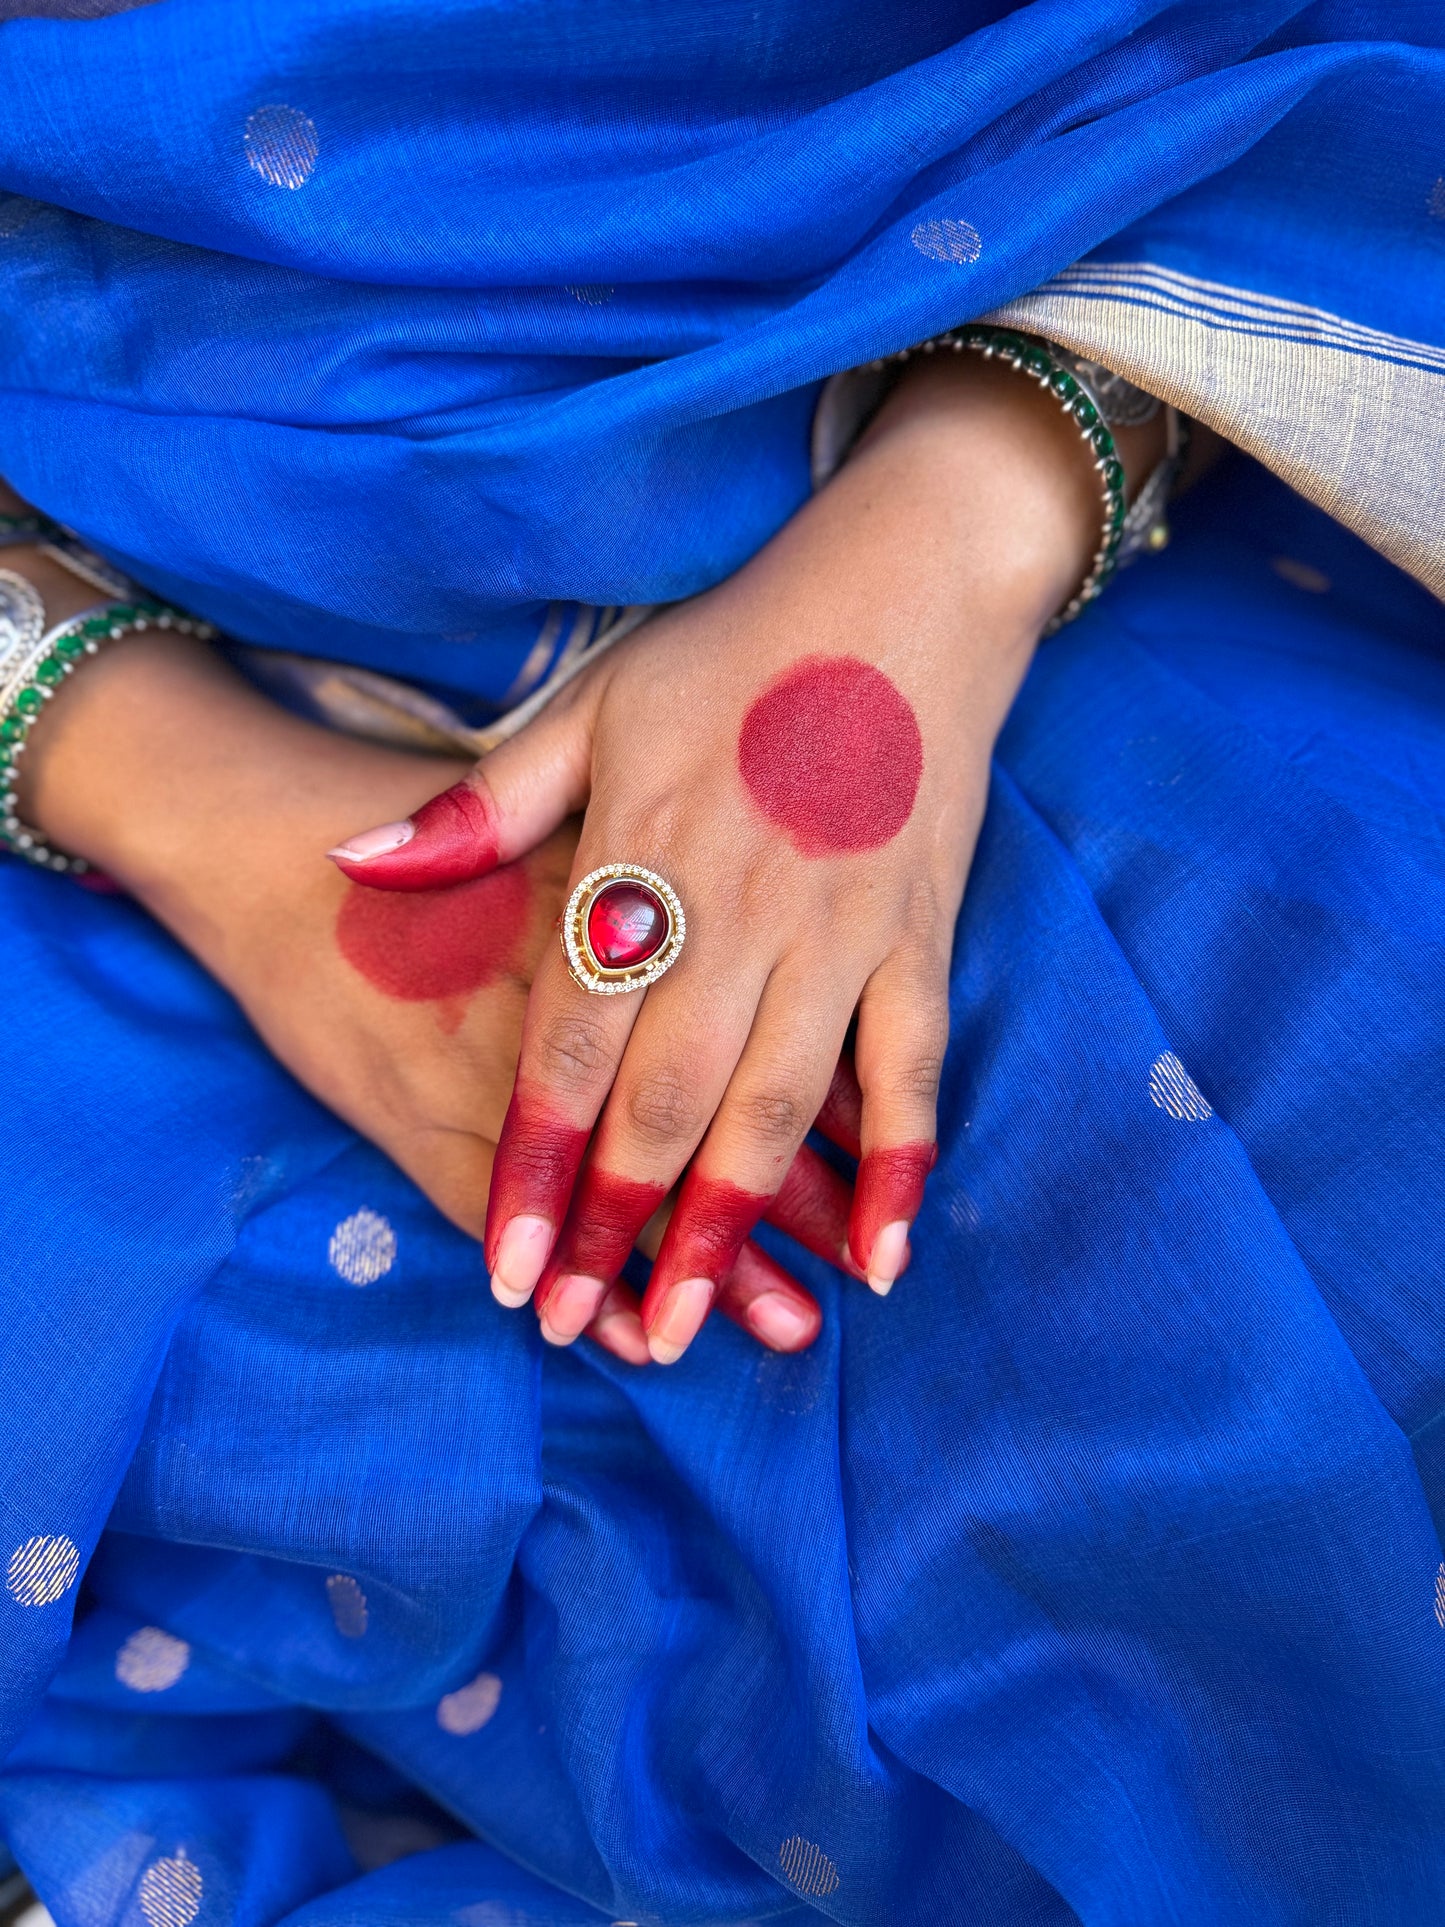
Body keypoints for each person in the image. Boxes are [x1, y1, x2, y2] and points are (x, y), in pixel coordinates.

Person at [1, 3, 1443, 1922]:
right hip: (139, 855)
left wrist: (969, 514)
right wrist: (192, 800)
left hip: (1140, 513)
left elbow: (1295, 71)